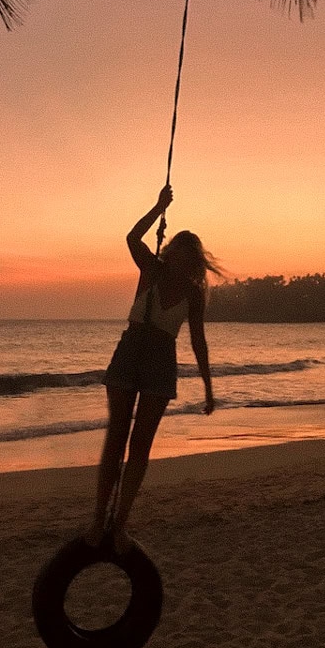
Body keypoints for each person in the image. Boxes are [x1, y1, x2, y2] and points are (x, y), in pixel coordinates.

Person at [87, 185, 221, 553]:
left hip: (161, 360)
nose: (175, 253)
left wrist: (209, 388)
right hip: (131, 349)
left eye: (183, 251)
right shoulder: (150, 268)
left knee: (140, 446)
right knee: (116, 438)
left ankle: (119, 525)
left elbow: (198, 342)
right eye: (174, 247)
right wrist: (158, 206)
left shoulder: (194, 294)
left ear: (191, 259)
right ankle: (99, 520)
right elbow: (132, 237)